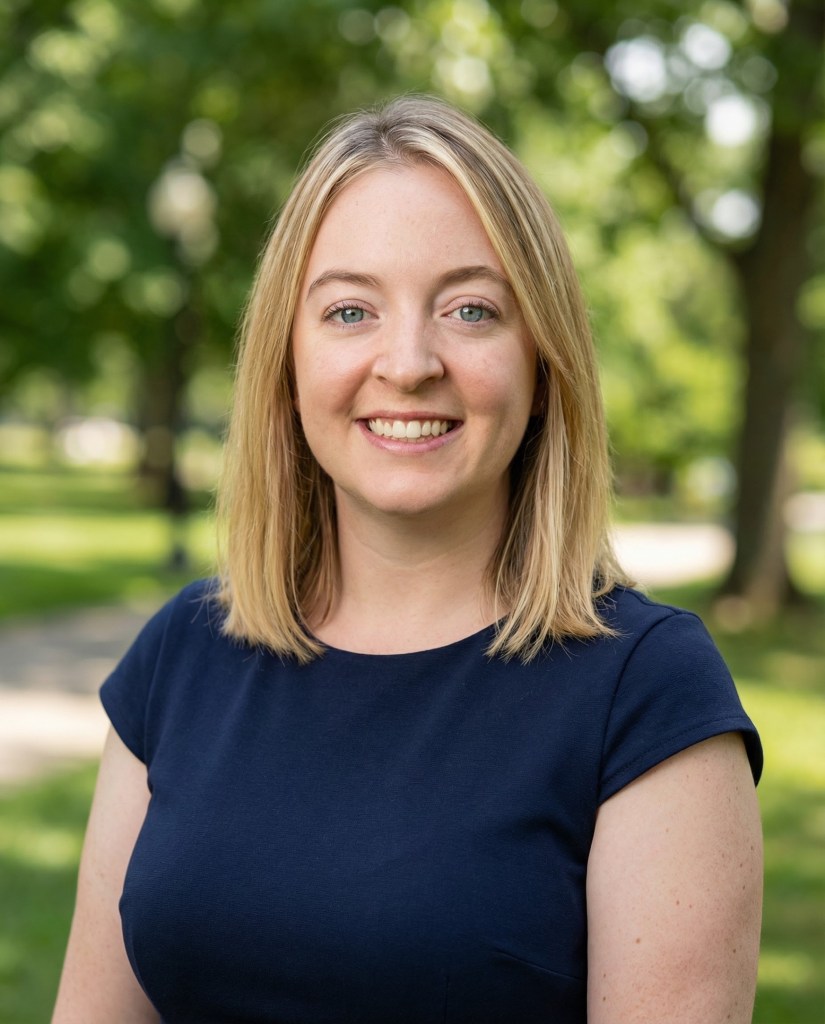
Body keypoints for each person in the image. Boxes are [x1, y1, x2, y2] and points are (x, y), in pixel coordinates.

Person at [52, 95, 763, 1024]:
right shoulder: (182, 656)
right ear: (286, 360)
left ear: (542, 361)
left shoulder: (646, 695)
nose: (408, 361)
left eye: (471, 310)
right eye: (349, 310)